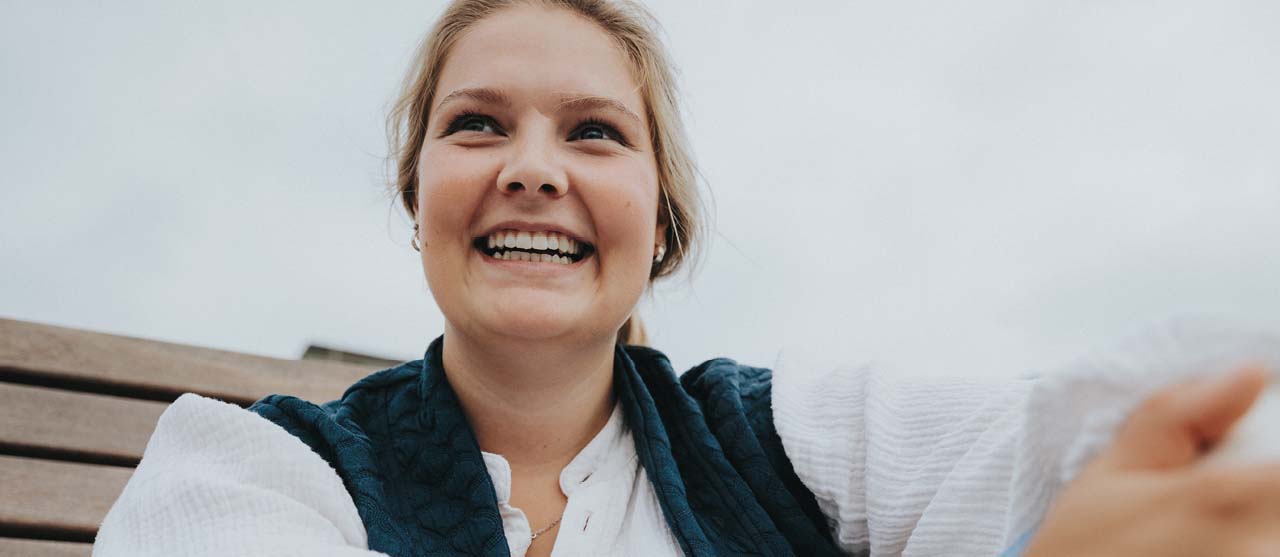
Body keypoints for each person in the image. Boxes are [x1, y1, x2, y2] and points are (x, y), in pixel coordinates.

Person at [93, 1, 1280, 556]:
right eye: (475, 124)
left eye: (595, 134)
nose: (531, 168)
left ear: (659, 223)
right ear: (419, 200)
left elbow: (1060, 443)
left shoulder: (791, 438)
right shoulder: (249, 471)